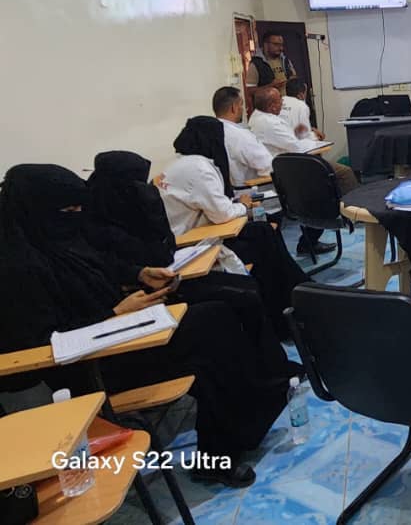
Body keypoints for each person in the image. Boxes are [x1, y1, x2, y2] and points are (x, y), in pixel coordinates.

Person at [0, 164, 289, 487]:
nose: (77, 216)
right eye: (69, 211)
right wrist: (114, 313)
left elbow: (102, 265)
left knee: (219, 315)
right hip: (93, 365)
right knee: (208, 336)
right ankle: (218, 454)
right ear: (37, 210)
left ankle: (244, 424)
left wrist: (140, 273)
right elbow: (43, 342)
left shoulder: (58, 239)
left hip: (121, 334)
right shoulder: (16, 270)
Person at [83, 150, 297, 381]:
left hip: (164, 276)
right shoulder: (97, 227)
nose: (142, 189)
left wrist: (142, 271)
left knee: (249, 283)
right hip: (143, 298)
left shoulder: (135, 206)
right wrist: (130, 291)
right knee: (235, 300)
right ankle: (267, 371)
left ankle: (276, 356)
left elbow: (162, 250)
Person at [159, 116, 309, 339]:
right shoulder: (199, 168)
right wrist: (244, 205)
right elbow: (222, 214)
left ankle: (295, 294)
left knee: (264, 232)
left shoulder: (181, 164)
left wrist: (236, 206)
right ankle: (290, 305)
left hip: (196, 234)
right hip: (193, 245)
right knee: (265, 245)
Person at [244, 87, 349, 257]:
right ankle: (349, 215)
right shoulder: (269, 123)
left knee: (328, 176)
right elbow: (296, 146)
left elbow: (292, 138)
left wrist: (310, 136)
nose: (282, 103)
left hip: (287, 168)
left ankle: (312, 239)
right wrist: (315, 140)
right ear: (271, 106)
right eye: (280, 100)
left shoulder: (258, 117)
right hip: (287, 173)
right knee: (335, 178)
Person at [213, 86, 274, 187]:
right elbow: (269, 167)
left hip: (220, 192)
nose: (244, 109)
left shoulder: (208, 133)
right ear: (234, 108)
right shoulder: (240, 135)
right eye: (241, 104)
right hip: (248, 192)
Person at [246, 31, 296, 95]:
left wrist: (292, 80)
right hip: (270, 101)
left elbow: (294, 77)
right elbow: (250, 91)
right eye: (276, 44)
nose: (281, 48)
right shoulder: (256, 64)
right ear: (266, 44)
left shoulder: (285, 60)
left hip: (288, 99)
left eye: (281, 45)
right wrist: (270, 86)